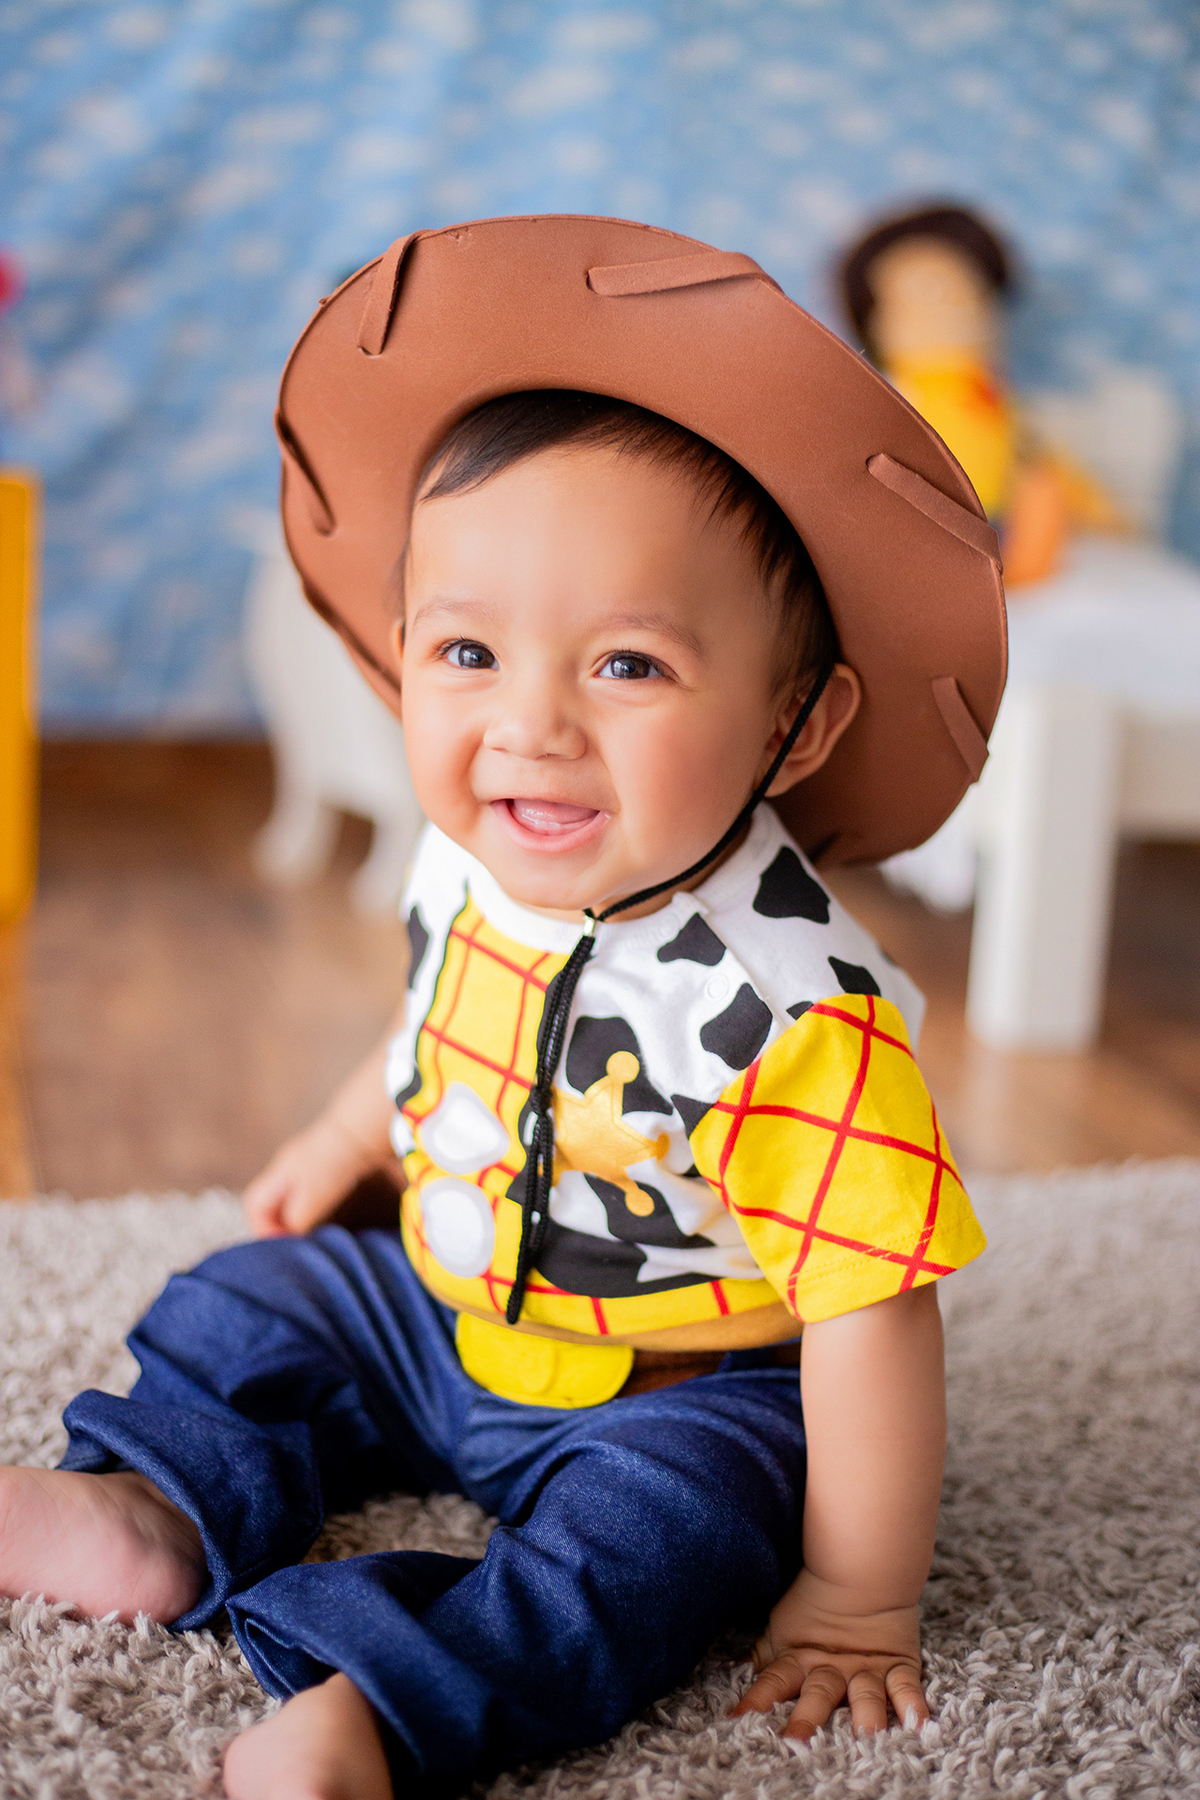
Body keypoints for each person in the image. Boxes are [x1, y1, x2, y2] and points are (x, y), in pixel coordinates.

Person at [0, 216, 1006, 1799]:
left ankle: (384, 1704)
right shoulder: (473, 855)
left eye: (626, 667)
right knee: (250, 1300)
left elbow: (873, 1310)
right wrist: (348, 1131)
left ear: (798, 724)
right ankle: (152, 1506)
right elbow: (435, 1022)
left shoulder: (795, 1010)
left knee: (658, 1548)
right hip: (441, 1311)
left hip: (680, 1381)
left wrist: (863, 1592)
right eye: (467, 650)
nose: (526, 727)